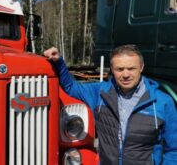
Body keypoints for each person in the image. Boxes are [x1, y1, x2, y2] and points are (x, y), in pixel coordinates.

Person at [43, 45, 177, 165]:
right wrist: (59, 62)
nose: (125, 74)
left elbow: (174, 149)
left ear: (141, 67)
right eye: (120, 69)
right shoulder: (100, 92)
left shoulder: (162, 102)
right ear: (112, 69)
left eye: (131, 68)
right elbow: (71, 87)